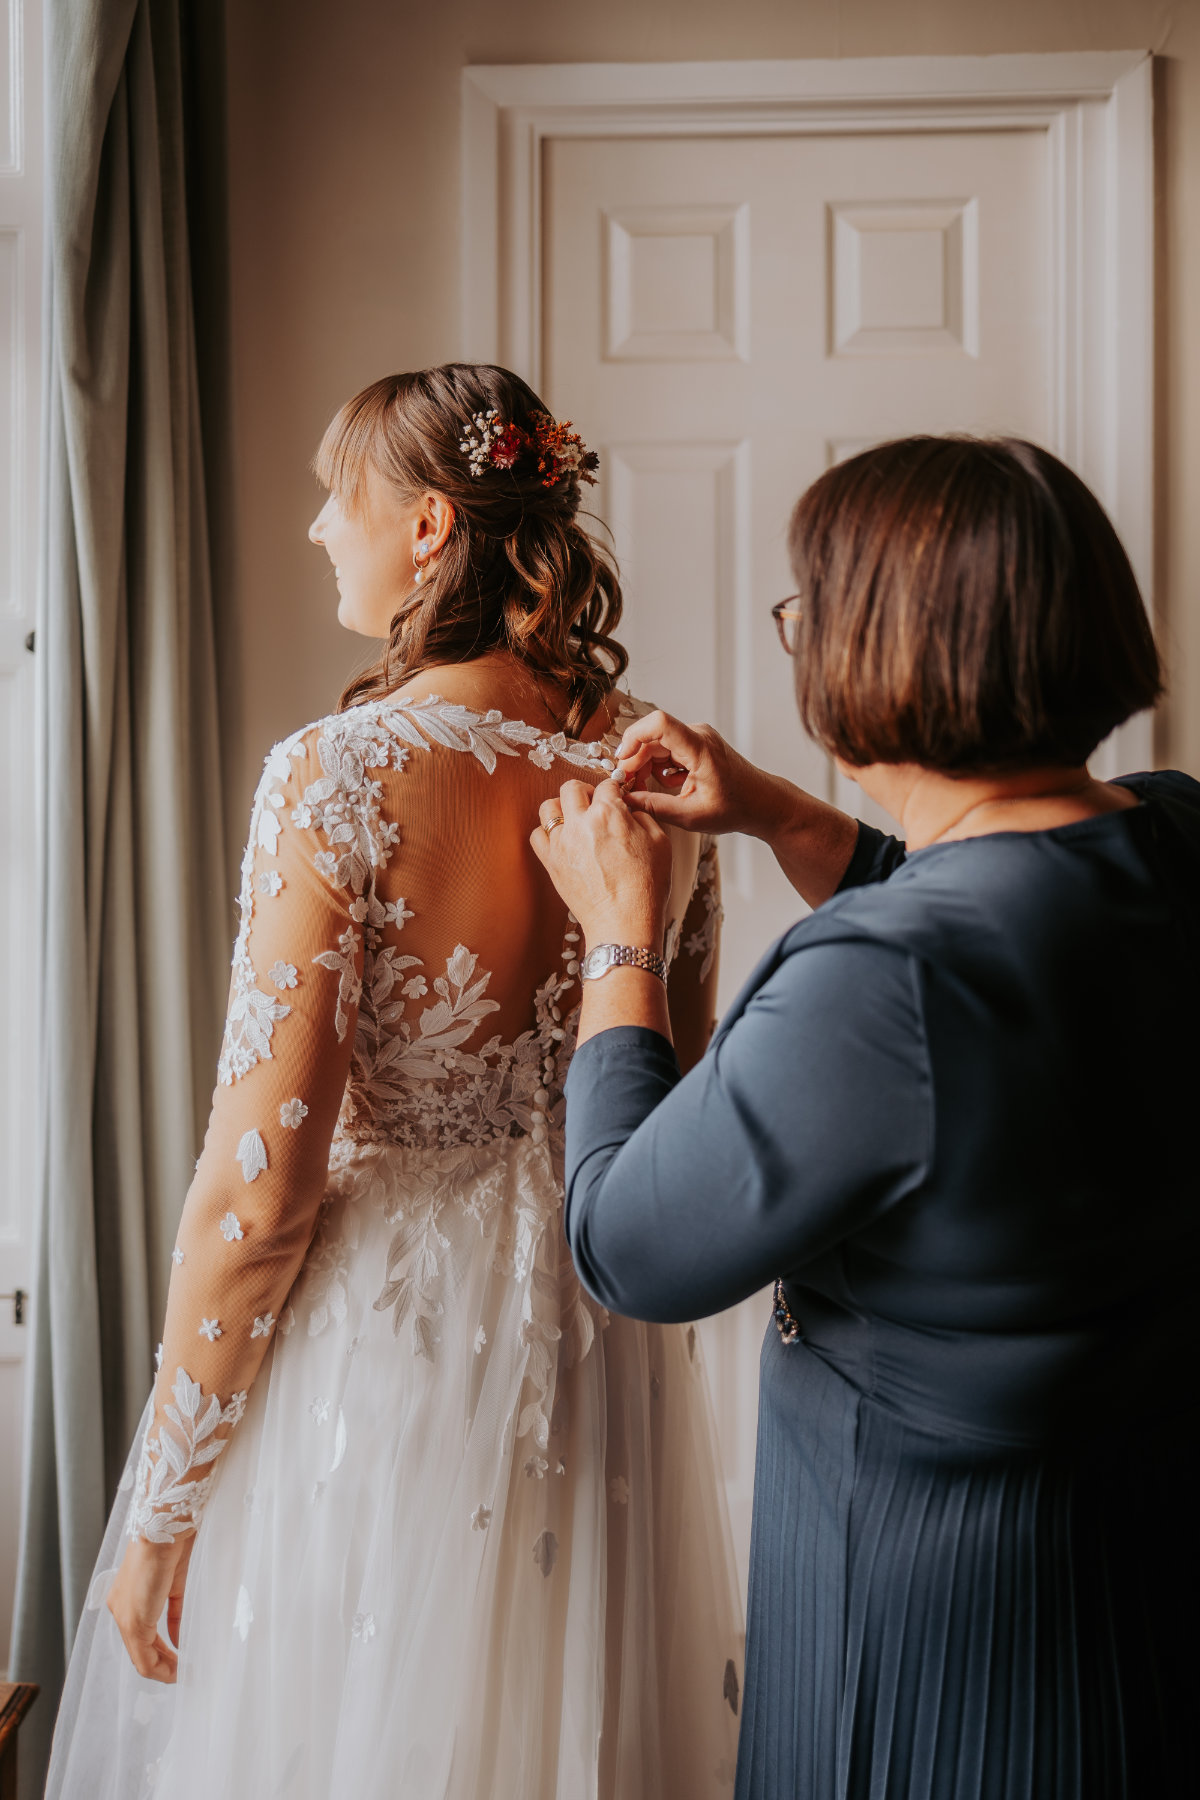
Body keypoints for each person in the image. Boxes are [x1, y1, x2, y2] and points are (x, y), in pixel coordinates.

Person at [46, 364, 742, 1800]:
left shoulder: (338, 774)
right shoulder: (661, 767)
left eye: (334, 495)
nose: (315, 529)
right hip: (596, 1342)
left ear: (429, 525)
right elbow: (657, 1096)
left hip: (391, 1358)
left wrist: (166, 1507)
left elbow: (265, 1178)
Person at [531, 436, 1200, 1800]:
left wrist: (622, 942)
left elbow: (627, 1243)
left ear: (873, 656)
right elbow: (1009, 887)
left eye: (804, 613)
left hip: (931, 1624)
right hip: (1135, 1578)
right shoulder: (1175, 837)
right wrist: (782, 817)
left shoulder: (879, 978)